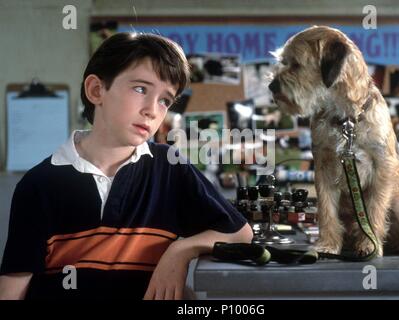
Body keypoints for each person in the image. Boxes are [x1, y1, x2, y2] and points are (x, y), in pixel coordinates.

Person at [0, 32, 253, 300]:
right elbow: (14, 284)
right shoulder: (39, 184)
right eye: (141, 89)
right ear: (96, 90)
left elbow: (240, 232)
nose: (152, 110)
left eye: (165, 100)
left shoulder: (170, 168)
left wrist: (180, 250)